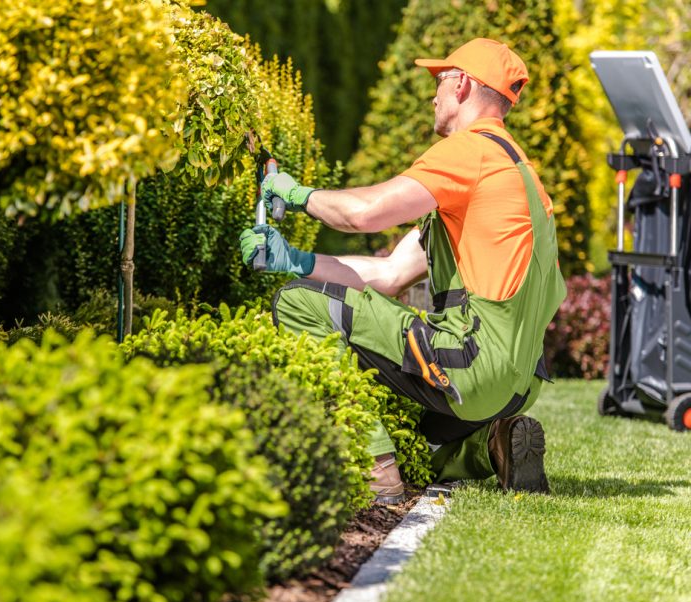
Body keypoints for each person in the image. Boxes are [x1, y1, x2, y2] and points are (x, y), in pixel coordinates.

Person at [240, 38, 566, 503]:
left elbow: (363, 214)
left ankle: (374, 471)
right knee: (411, 431)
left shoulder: (469, 152)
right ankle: (491, 446)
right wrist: (295, 260)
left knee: (296, 303)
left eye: (439, 81)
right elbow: (390, 274)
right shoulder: (517, 173)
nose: (432, 94)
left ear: (462, 85)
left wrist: (296, 194)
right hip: (516, 384)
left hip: (472, 364)